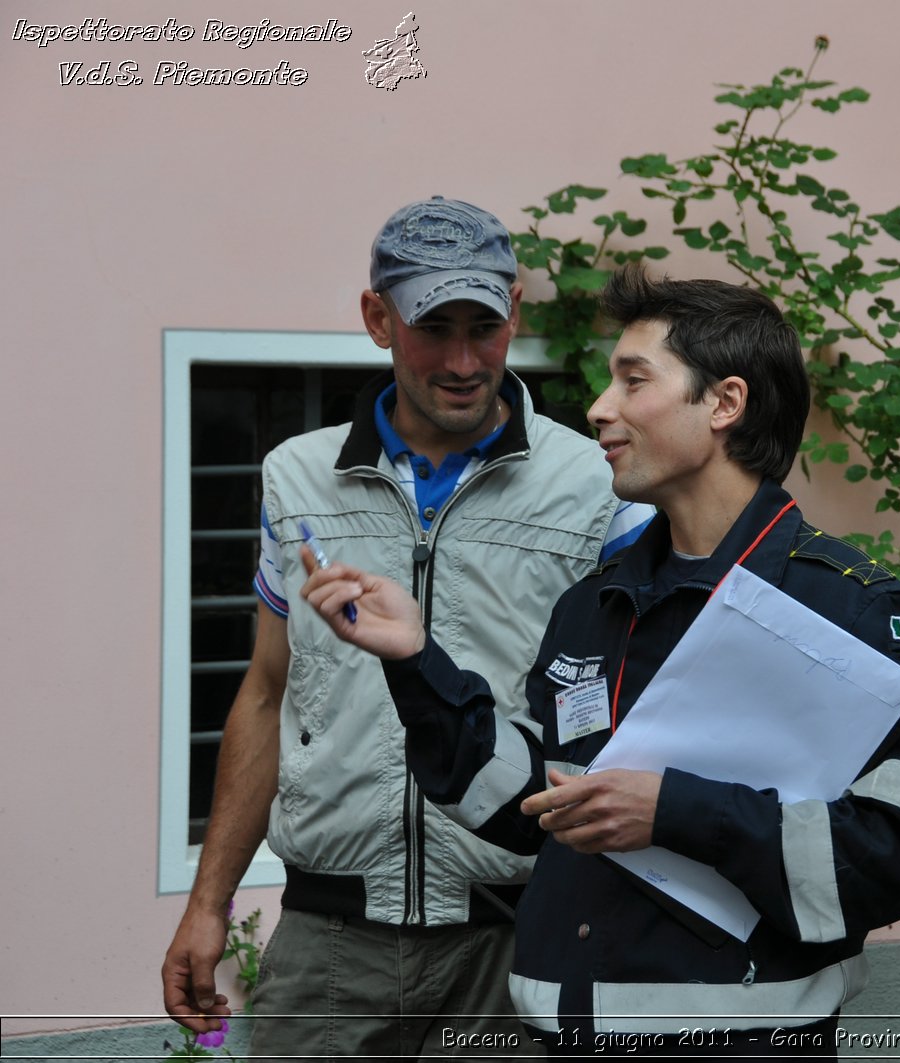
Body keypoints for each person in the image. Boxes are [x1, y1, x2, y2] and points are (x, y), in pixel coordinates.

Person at [298, 264, 900, 1056]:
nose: (599, 409)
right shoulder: (594, 603)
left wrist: (676, 811)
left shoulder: (852, 608)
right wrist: (415, 659)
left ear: (725, 402)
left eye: (632, 381)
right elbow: (528, 805)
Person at [161, 196, 651, 1057]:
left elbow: (644, 704)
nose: (464, 361)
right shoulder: (297, 477)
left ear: (515, 316)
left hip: (515, 929)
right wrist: (209, 902)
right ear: (377, 318)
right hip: (331, 940)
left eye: (483, 327)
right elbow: (268, 692)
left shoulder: (598, 484)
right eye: (435, 328)